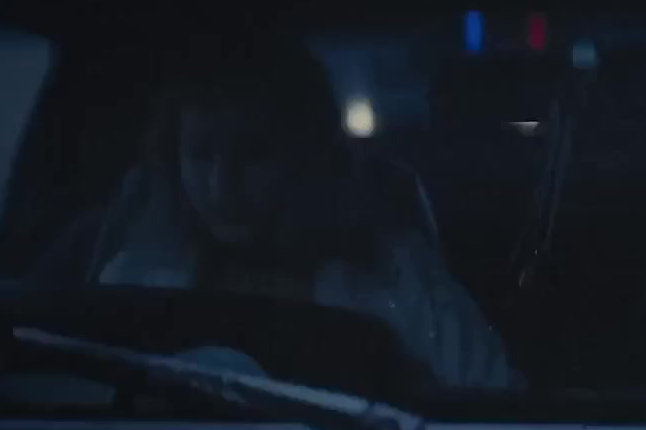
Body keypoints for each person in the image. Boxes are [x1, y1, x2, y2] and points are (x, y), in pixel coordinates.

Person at [32, 33, 520, 392]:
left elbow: (491, 403)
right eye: (201, 154)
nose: (222, 185)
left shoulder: (395, 277)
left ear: (306, 156)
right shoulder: (134, 277)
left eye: (254, 154)